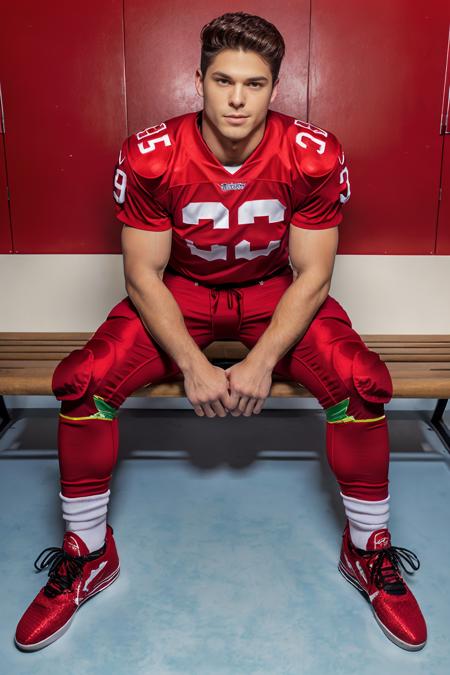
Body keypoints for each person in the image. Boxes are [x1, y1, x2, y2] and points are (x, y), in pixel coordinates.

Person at [15, 11, 426, 653]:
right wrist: (192, 364)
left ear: (275, 87)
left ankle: (367, 551)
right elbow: (143, 276)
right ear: (199, 79)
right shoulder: (153, 154)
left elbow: (313, 275)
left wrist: (261, 361)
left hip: (273, 295)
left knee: (361, 381)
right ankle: (87, 551)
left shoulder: (310, 152)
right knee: (85, 381)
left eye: (255, 84)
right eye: (224, 80)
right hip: (181, 292)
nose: (237, 99)